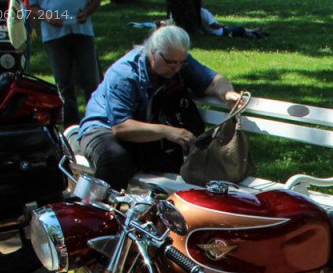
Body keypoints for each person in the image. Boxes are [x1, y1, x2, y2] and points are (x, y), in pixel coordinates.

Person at [75, 25, 243, 188]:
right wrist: (168, 132)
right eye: (170, 63)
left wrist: (227, 93)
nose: (176, 68)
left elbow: (214, 80)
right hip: (102, 129)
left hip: (147, 134)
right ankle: (101, 205)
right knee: (116, 159)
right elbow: (120, 127)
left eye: (181, 63)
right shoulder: (125, 74)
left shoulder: (177, 59)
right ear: (153, 53)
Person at [30, 0, 102, 128]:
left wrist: (86, 12)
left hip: (83, 32)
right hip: (54, 36)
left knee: (91, 83)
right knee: (64, 86)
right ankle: (71, 128)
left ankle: (98, 124)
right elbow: (31, 7)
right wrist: (46, 16)